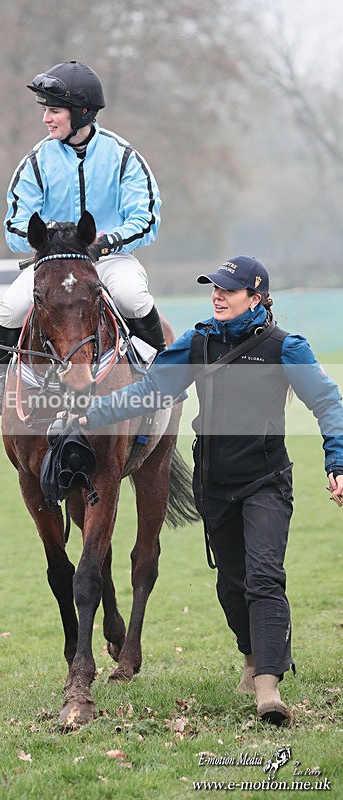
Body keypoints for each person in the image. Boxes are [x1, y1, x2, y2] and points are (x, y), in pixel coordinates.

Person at [75, 256, 343, 726]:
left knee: (264, 577)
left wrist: (338, 461)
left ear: (255, 299)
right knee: (232, 584)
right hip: (214, 485)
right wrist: (86, 416)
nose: (217, 295)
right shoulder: (198, 342)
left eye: (229, 290)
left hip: (266, 481)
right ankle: (251, 653)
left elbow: (327, 402)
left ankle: (268, 688)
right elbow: (150, 391)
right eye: (213, 288)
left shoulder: (286, 347)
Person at [0, 60, 163, 414]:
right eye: (46, 111)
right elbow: (15, 224)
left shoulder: (123, 157)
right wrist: (49, 241)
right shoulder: (36, 161)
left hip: (109, 258)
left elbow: (146, 217)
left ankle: (163, 375)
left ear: (81, 113)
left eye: (54, 111)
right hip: (52, 261)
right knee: (9, 309)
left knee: (132, 297)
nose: (46, 118)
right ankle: (3, 380)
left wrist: (107, 242)